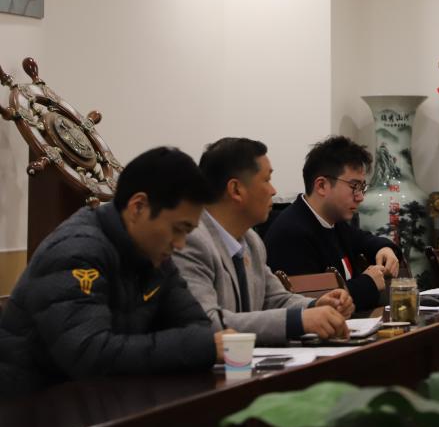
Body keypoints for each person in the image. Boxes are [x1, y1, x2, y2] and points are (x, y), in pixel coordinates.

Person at [0, 147, 226, 395]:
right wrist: (195, 347)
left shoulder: (155, 257)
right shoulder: (76, 252)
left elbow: (197, 329)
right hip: (32, 406)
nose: (180, 244)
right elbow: (89, 355)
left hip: (101, 402)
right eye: (178, 229)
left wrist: (198, 344)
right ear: (138, 206)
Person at [174, 138, 355, 345]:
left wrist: (316, 306)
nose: (273, 191)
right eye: (267, 180)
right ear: (236, 190)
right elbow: (207, 323)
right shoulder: (191, 241)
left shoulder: (251, 240)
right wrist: (298, 321)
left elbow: (275, 299)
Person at [264, 135, 401, 311]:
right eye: (354, 186)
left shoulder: (334, 221)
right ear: (322, 186)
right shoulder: (291, 233)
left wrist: (385, 248)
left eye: (362, 187)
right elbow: (314, 303)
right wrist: (368, 283)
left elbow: (366, 240)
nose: (360, 197)